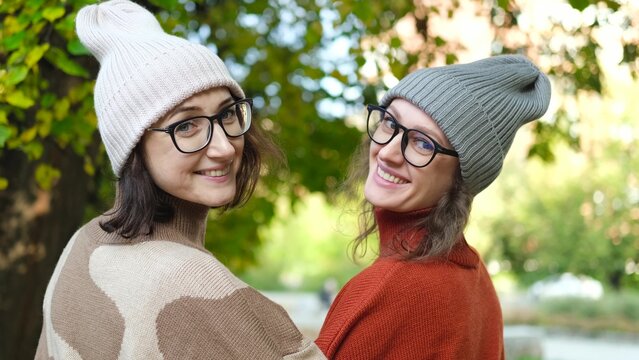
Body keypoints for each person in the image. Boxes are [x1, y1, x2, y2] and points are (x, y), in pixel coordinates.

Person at [35, 1, 325, 358]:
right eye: (186, 125)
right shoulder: (196, 283)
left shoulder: (84, 244)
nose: (224, 147)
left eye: (227, 113)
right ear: (133, 146)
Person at [315, 55, 551, 359]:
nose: (387, 153)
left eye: (423, 143)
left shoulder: (386, 291)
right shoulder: (476, 280)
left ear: (460, 178)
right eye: (390, 122)